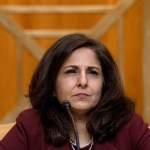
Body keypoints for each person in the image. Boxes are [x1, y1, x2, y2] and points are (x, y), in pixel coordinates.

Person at [0, 33, 150, 150]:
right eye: (71, 71)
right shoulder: (31, 125)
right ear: (52, 83)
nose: (83, 82)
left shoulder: (129, 125)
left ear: (105, 83)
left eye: (92, 72)